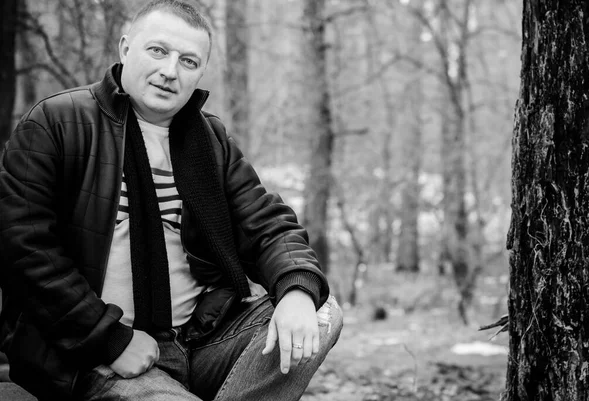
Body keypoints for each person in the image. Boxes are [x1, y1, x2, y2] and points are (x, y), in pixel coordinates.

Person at [0, 1, 342, 400]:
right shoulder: (58, 122)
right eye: (158, 50)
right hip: (92, 352)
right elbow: (24, 249)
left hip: (198, 340)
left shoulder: (208, 139)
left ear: (200, 72)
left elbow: (266, 223)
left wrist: (297, 290)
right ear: (126, 48)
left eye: (189, 61)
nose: (170, 71)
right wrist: (110, 339)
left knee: (320, 312)